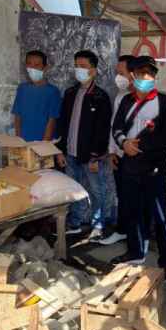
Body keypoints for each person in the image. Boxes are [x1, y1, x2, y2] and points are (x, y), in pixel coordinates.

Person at [109, 56, 166, 280]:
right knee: (132, 211)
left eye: (149, 74)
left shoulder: (164, 102)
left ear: (154, 77)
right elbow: (117, 128)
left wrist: (141, 146)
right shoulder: (126, 101)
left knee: (159, 216)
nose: (145, 78)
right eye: (140, 74)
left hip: (153, 167)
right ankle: (135, 252)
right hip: (129, 165)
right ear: (133, 76)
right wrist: (123, 144)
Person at [56, 50, 112, 237]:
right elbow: (62, 123)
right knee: (73, 191)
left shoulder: (100, 97)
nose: (78, 70)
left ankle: (98, 226)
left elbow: (103, 129)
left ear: (93, 71)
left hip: (90, 156)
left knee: (96, 191)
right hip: (70, 153)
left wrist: (96, 156)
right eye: (76, 66)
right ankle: (75, 223)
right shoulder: (70, 93)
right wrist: (60, 150)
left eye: (83, 66)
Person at [100, 54, 136, 246]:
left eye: (121, 73)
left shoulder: (146, 98)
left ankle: (137, 234)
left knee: (135, 197)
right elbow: (114, 126)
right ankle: (122, 230)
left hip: (136, 157)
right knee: (122, 194)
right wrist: (112, 151)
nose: (118, 77)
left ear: (133, 74)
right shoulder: (121, 96)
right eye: (117, 73)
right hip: (120, 155)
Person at [12, 50, 61, 141]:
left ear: (45, 68)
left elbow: (51, 121)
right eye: (29, 64)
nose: (32, 68)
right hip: (23, 142)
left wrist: (43, 145)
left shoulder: (53, 92)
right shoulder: (22, 89)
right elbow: (17, 117)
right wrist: (18, 141)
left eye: (37, 65)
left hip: (43, 142)